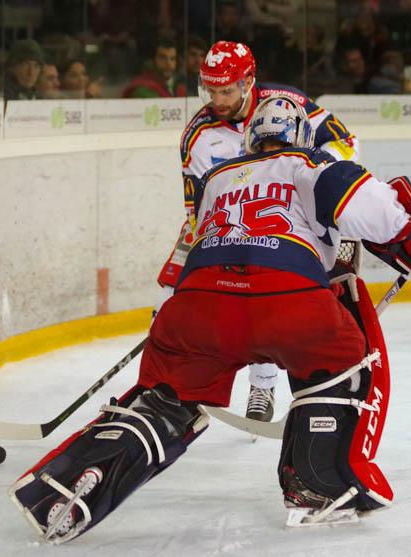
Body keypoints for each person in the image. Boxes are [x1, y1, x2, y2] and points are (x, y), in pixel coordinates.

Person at [10, 95, 411, 543]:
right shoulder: (312, 163)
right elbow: (375, 210)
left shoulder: (216, 177)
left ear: (251, 136)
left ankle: (75, 482)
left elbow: (201, 241)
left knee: (168, 396)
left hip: (197, 308)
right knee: (344, 360)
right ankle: (317, 485)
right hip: (285, 304)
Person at [157, 41, 361, 424]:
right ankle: (180, 386)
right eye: (211, 90)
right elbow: (199, 212)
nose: (217, 100)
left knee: (266, 289)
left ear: (248, 81)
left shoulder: (287, 104)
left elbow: (347, 143)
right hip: (232, 222)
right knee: (173, 296)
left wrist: (314, 168)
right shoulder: (197, 136)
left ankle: (263, 385)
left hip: (287, 219)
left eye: (226, 90)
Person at [121, 38, 186, 98]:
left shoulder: (180, 88)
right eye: (162, 58)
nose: (169, 63)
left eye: (172, 58)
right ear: (152, 61)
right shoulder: (142, 89)